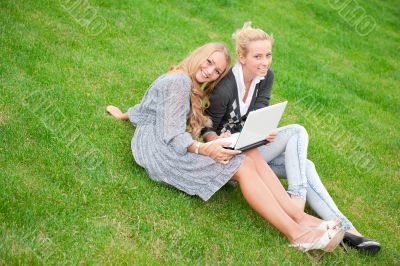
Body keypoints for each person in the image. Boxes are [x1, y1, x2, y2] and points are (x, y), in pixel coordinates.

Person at [106, 42, 345, 253]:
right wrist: (204, 149)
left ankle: (301, 219)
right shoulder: (179, 82)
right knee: (240, 163)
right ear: (199, 55)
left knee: (248, 156)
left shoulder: (184, 80)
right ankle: (298, 234)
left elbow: (147, 107)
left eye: (216, 71)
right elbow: (172, 135)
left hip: (163, 144)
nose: (209, 71)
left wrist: (123, 115)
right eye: (208, 62)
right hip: (162, 153)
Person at [202, 23, 380, 254]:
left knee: (305, 165)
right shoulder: (225, 86)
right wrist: (219, 138)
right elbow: (206, 129)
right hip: (230, 156)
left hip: (251, 148)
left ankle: (350, 232)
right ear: (242, 57)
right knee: (296, 131)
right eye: (258, 56)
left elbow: (257, 115)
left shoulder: (265, 77)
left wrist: (263, 133)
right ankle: (297, 199)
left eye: (268, 55)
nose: (265, 62)